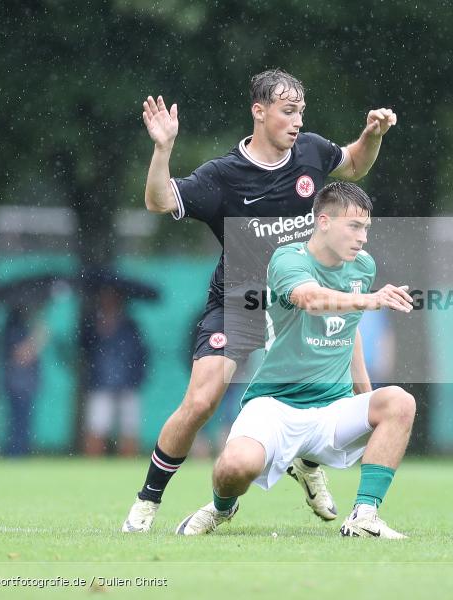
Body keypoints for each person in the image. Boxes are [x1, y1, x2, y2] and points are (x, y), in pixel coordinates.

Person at [123, 69, 398, 532]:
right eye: (287, 112)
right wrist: (163, 150)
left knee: (330, 391)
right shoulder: (222, 176)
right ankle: (148, 501)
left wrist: (372, 135)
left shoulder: (309, 150)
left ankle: (307, 461)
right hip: (241, 302)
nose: (296, 122)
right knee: (202, 400)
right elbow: (157, 200)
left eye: (300, 112)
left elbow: (353, 165)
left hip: (299, 305)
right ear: (259, 111)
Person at [175, 182, 415, 538]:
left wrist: (364, 398)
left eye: (366, 227)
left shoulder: (362, 267)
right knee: (235, 467)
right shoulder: (288, 258)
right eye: (354, 226)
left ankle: (364, 517)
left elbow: (351, 333)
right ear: (323, 222)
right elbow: (310, 299)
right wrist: (371, 300)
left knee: (400, 402)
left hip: (331, 410)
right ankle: (222, 508)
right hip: (276, 406)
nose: (362, 237)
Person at [81, 286, 148, 457]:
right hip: (101, 382)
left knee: (129, 429)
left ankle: (127, 466)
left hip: (127, 383)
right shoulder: (92, 324)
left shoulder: (130, 325)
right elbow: (85, 349)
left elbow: (139, 353)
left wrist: (136, 377)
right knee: (97, 427)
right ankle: (93, 468)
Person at [2, 302, 47, 457]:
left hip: (26, 384)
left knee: (24, 422)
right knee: (18, 422)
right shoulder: (14, 327)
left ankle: (20, 452)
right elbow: (22, 355)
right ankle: (15, 454)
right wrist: (39, 337)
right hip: (17, 384)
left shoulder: (23, 326)